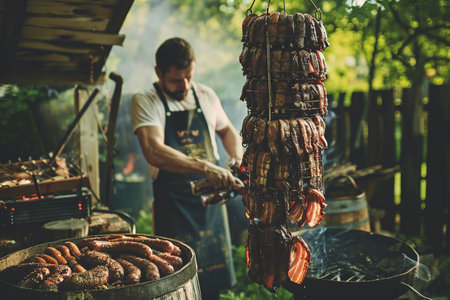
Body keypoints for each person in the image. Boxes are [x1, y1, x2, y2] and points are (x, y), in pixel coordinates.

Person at [131, 37, 243, 299]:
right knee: (176, 286)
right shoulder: (145, 100)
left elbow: (226, 130)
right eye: (176, 80)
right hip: (174, 204)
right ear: (159, 72)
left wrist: (236, 156)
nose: (184, 85)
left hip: (211, 203)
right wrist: (206, 167)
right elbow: (154, 151)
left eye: (189, 77)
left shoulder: (205, 94)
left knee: (214, 282)